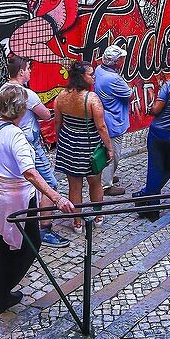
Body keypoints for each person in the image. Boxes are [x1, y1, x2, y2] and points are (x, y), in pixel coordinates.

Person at [0, 85, 75, 315]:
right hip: (12, 200)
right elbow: (30, 172)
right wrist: (56, 198)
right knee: (28, 245)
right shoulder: (16, 136)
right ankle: (1, 293)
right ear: (21, 111)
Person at [2, 55, 69, 248]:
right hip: (30, 144)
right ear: (21, 71)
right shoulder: (27, 95)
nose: (31, 71)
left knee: (20, 184)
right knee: (49, 184)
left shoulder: (4, 89)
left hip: (11, 141)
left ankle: (22, 224)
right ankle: (44, 228)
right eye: (29, 69)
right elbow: (46, 115)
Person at [54, 61, 115, 231]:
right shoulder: (91, 98)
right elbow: (101, 127)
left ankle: (77, 222)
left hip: (68, 143)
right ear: (82, 77)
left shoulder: (61, 96)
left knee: (74, 186)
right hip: (89, 146)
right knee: (95, 183)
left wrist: (61, 141)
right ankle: (98, 216)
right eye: (91, 74)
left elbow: (58, 123)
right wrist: (109, 148)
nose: (94, 77)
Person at [134, 53, 170, 222]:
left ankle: (148, 202)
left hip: (159, 133)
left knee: (155, 169)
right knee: (169, 169)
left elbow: (157, 110)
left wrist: (151, 108)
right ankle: (147, 199)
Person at [94, 45, 132, 196]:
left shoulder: (99, 70)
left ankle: (106, 176)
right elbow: (129, 95)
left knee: (106, 150)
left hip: (106, 117)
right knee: (113, 153)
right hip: (114, 121)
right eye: (121, 58)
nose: (123, 60)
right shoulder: (114, 79)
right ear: (116, 62)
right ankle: (106, 185)